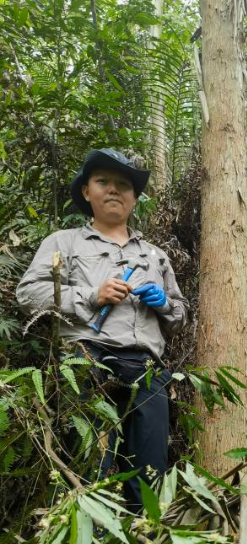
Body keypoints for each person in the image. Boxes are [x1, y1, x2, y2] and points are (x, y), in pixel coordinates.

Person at [17, 148, 189, 510]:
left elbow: (179, 316)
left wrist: (165, 305)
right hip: (87, 360)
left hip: (147, 368)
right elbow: (28, 294)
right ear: (86, 192)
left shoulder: (156, 255)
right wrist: (91, 295)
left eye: (124, 185)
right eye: (103, 182)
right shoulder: (64, 243)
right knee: (89, 464)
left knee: (151, 471)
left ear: (135, 198)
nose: (114, 190)